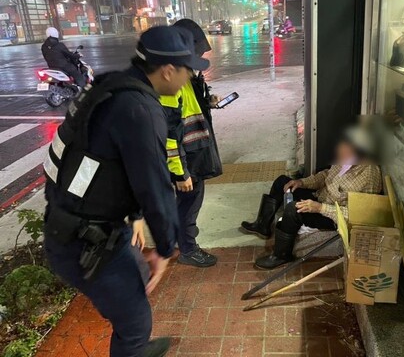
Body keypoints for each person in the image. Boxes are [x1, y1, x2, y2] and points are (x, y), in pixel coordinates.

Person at [43, 26, 209, 357]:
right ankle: (133, 347)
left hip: (74, 225)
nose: (190, 75)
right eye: (188, 69)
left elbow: (105, 160)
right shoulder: (139, 110)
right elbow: (155, 188)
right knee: (134, 320)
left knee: (132, 291)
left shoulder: (112, 87)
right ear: (168, 70)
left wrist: (132, 217)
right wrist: (165, 249)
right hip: (83, 240)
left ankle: (134, 347)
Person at [241, 126, 383, 270]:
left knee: (293, 209)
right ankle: (262, 225)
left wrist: (320, 208)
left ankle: (281, 255)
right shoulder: (346, 160)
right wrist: (302, 182)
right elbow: (325, 175)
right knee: (282, 182)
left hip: (332, 216)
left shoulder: (370, 175)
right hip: (319, 198)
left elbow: (361, 216)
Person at [161, 19, 222, 268]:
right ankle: (187, 249)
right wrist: (180, 173)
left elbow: (189, 108)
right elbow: (168, 134)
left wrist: (207, 101)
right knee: (188, 203)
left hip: (193, 153)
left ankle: (180, 240)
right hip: (185, 159)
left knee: (187, 202)